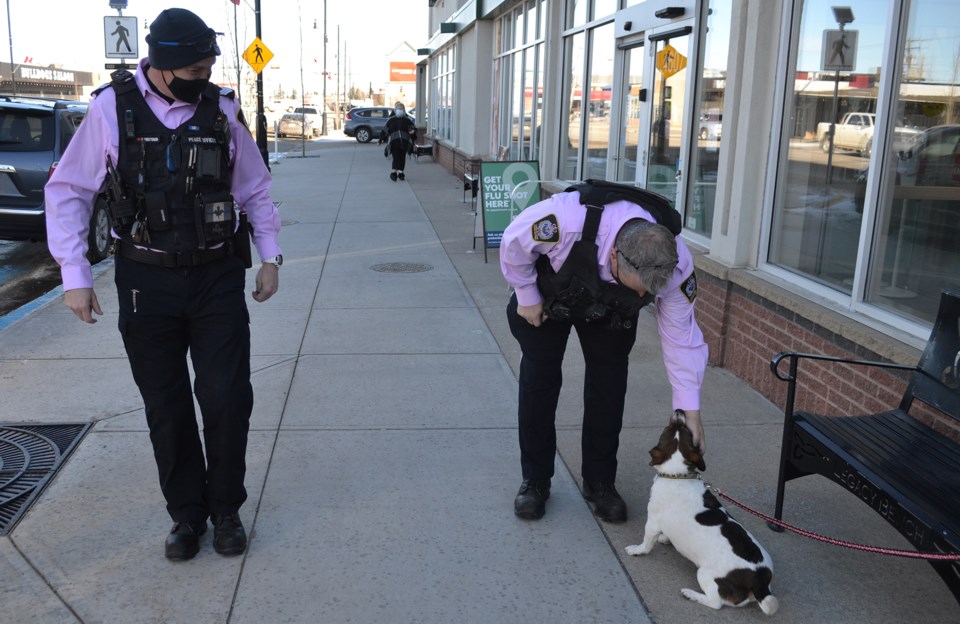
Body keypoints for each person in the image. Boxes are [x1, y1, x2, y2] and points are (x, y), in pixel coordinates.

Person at [45, 8, 283, 561]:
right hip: (144, 281)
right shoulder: (110, 107)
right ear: (165, 67)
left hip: (216, 274)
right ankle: (186, 515)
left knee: (226, 397)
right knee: (166, 404)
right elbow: (69, 191)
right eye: (197, 70)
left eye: (209, 68)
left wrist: (270, 256)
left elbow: (254, 187)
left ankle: (225, 509)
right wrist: (74, 276)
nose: (206, 77)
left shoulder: (223, 110)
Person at [499, 180, 708, 523]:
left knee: (609, 389)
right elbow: (513, 242)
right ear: (614, 254)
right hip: (550, 297)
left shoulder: (678, 264)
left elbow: (681, 337)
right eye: (636, 289)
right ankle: (535, 481)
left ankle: (600, 483)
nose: (642, 298)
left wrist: (688, 408)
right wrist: (527, 296)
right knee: (540, 382)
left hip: (610, 314)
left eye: (648, 296)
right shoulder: (565, 219)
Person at [378, 101, 417, 181]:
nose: (400, 110)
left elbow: (413, 130)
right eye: (398, 109)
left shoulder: (407, 121)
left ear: (404, 110)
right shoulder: (391, 120)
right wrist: (380, 139)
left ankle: (401, 172)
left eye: (401, 109)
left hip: (404, 143)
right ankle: (393, 172)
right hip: (394, 143)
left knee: (402, 158)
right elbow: (384, 130)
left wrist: (413, 133)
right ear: (395, 110)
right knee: (396, 158)